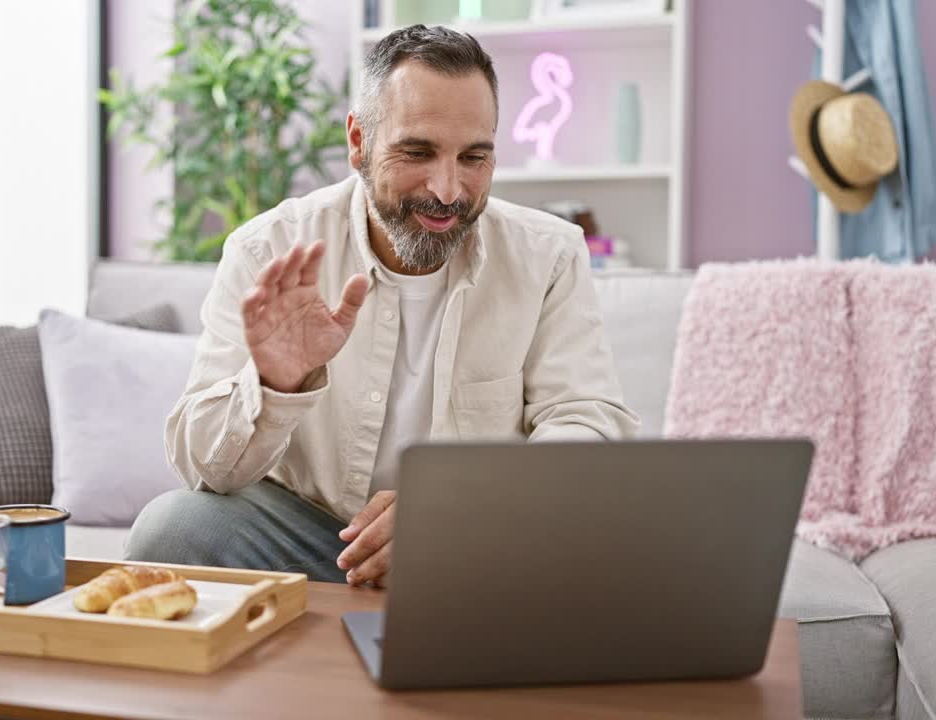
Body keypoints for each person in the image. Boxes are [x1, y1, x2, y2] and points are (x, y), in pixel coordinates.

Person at [125, 24, 637, 586]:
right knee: (171, 529)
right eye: (417, 152)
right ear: (358, 142)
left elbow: (586, 426)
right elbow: (203, 470)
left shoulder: (550, 254)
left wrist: (460, 506)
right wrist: (274, 386)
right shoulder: (266, 249)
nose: (448, 190)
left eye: (474, 157)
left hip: (477, 541)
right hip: (318, 547)